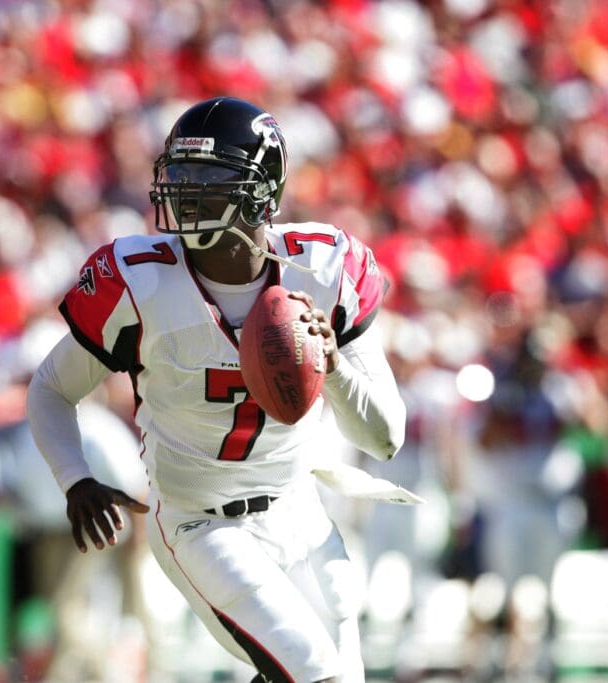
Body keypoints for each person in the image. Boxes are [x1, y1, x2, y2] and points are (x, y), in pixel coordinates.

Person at [27, 96, 406, 683]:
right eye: (180, 173)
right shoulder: (141, 280)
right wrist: (74, 478)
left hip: (299, 512)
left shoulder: (325, 269)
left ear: (263, 190)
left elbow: (385, 439)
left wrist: (332, 367)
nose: (187, 191)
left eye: (210, 176)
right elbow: (52, 388)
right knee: (313, 673)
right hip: (200, 523)